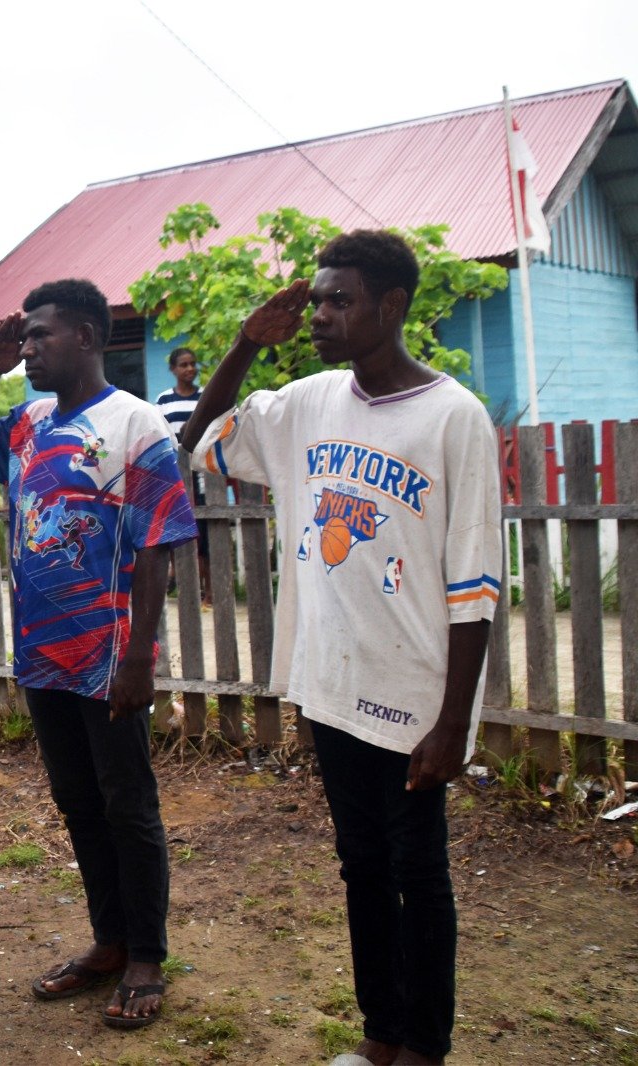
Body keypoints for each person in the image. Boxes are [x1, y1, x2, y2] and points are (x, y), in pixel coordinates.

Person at [181, 230, 501, 1066]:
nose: (319, 314)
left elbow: (475, 588)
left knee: (417, 872)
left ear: (391, 307)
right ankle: (379, 1035)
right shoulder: (307, 403)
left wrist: (452, 723)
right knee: (361, 863)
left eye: (339, 300)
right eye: (316, 299)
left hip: (413, 693)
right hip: (329, 682)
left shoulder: (454, 418)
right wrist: (247, 343)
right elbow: (201, 439)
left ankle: (425, 1046)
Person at [0, 278, 196, 1030]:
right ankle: (109, 941)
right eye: (23, 337)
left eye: (40, 336)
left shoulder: (137, 425)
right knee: (78, 802)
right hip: (42, 653)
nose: (28, 348)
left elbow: (156, 546)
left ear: (86, 336)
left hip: (108, 654)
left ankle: (147, 954)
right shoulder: (27, 422)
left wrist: (139, 659)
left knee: (128, 803)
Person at [155, 347, 211, 604]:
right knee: (177, 532)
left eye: (192, 363)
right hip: (175, 476)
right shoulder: (164, 401)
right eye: (183, 364)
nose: (189, 369)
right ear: (173, 369)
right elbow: (160, 434)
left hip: (204, 476)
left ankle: (209, 590)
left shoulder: (206, 397)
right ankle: (182, 582)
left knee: (206, 537)